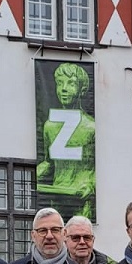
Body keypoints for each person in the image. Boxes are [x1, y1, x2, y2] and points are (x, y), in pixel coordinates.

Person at [36, 63, 96, 221]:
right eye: (60, 83)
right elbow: (49, 163)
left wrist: (90, 184)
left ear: (82, 89)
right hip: (57, 199)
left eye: (71, 83)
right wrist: (31, 176)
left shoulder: (91, 127)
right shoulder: (49, 126)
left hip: (81, 200)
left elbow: (97, 167)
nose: (63, 88)